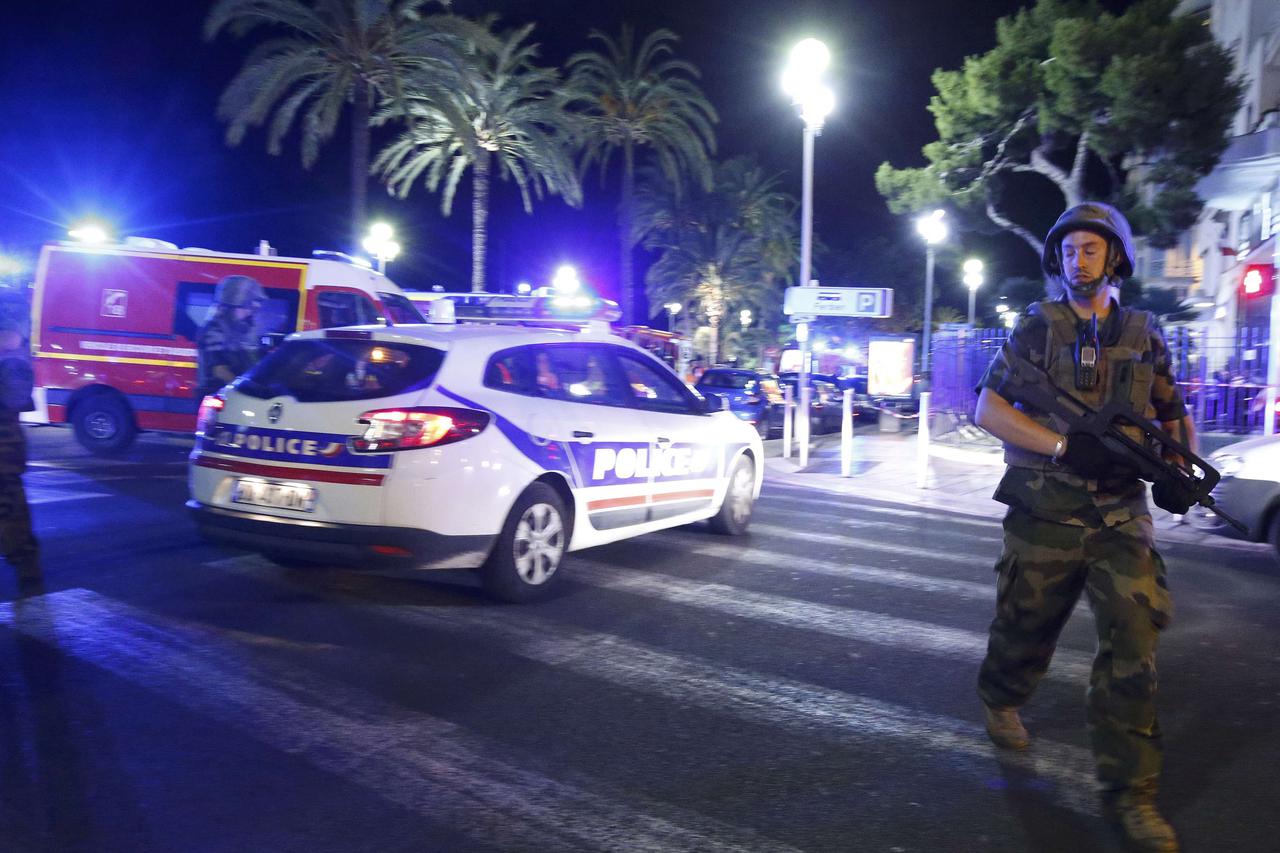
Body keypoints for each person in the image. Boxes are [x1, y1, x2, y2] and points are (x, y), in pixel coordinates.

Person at [973, 202, 1196, 853]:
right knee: (1023, 629)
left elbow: (1172, 412)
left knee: (1134, 642)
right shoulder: (1037, 327)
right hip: (1045, 511)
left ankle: (1131, 796)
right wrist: (1064, 447)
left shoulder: (1143, 332)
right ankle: (1001, 694)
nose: (1078, 259)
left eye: (1091, 248)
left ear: (1114, 256)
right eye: (1069, 250)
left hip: (1121, 514)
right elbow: (988, 407)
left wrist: (1181, 469)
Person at [0, 289, 40, 587]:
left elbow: (15, 396)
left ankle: (26, 564)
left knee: (9, 510)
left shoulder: (13, 361)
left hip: (4, 449)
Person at [197, 275, 266, 399]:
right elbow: (219, 370)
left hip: (234, 396)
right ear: (231, 306)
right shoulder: (215, 330)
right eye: (246, 308)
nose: (249, 313)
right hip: (217, 396)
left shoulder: (243, 330)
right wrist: (245, 391)